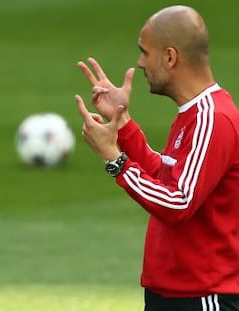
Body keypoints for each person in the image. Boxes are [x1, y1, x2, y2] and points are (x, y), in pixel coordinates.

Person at [75, 5, 239, 311]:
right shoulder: (195, 114)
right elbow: (166, 175)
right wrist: (121, 124)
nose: (139, 63)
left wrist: (115, 160)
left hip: (202, 296)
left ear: (170, 57)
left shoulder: (212, 118)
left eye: (144, 52)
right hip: (175, 292)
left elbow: (178, 202)